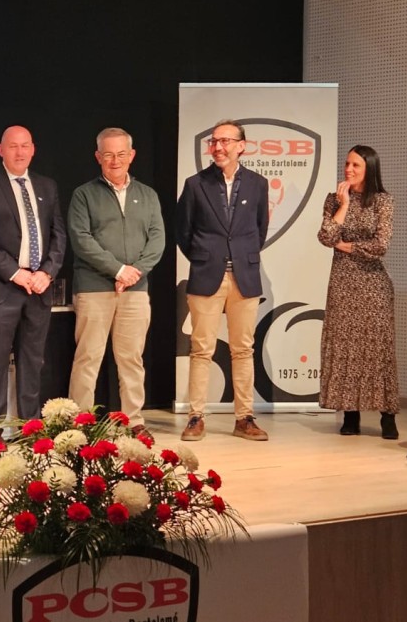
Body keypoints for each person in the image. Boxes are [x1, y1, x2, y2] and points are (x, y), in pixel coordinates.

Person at [0, 126, 66, 445]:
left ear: (33, 149)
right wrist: (15, 272)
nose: (19, 152)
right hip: (0, 285)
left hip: (38, 286)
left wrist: (47, 272)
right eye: (13, 146)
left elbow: (58, 234)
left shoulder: (46, 185)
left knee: (33, 358)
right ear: (0, 149)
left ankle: (30, 424)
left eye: (25, 146)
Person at [175, 119, 269, 442]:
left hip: (244, 275)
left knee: (243, 349)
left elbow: (260, 230)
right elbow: (183, 233)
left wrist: (240, 257)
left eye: (225, 141)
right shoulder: (195, 184)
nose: (218, 147)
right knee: (202, 349)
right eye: (214, 141)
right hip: (206, 274)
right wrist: (206, 257)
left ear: (242, 145)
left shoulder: (258, 184)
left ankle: (244, 418)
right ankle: (196, 416)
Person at [67, 128, 164, 438]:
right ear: (98, 157)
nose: (115, 160)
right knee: (88, 357)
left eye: (121, 154)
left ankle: (134, 421)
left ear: (131, 155)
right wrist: (118, 270)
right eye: (108, 154)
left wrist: (135, 271)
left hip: (135, 290)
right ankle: (79, 423)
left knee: (131, 359)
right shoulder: (84, 194)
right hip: (94, 288)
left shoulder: (147, 195)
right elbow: (81, 239)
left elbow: (158, 239)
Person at [317, 145, 398, 438]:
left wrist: (345, 245)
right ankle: (350, 415)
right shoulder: (334, 199)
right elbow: (325, 236)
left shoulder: (383, 201)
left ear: (369, 170)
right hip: (342, 284)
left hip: (374, 286)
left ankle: (388, 417)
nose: (348, 170)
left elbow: (380, 246)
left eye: (356, 166)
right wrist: (344, 205)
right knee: (345, 348)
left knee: (378, 349)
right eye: (347, 164)